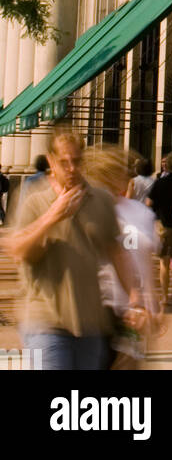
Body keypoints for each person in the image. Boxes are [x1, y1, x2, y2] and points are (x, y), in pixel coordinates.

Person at [1, 128, 143, 370]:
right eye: (64, 162)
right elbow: (17, 250)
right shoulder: (34, 200)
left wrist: (135, 298)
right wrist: (51, 217)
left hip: (91, 322)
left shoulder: (101, 199)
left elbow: (116, 251)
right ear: (51, 161)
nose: (72, 168)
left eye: (77, 161)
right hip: (42, 320)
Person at [84, 145, 161, 369]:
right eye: (121, 171)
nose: (128, 176)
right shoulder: (90, 209)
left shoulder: (141, 213)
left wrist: (152, 301)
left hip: (134, 312)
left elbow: (145, 262)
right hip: (99, 308)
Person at [146, 151, 172, 306]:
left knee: (163, 262)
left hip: (161, 225)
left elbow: (149, 203)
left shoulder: (159, 183)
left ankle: (164, 296)